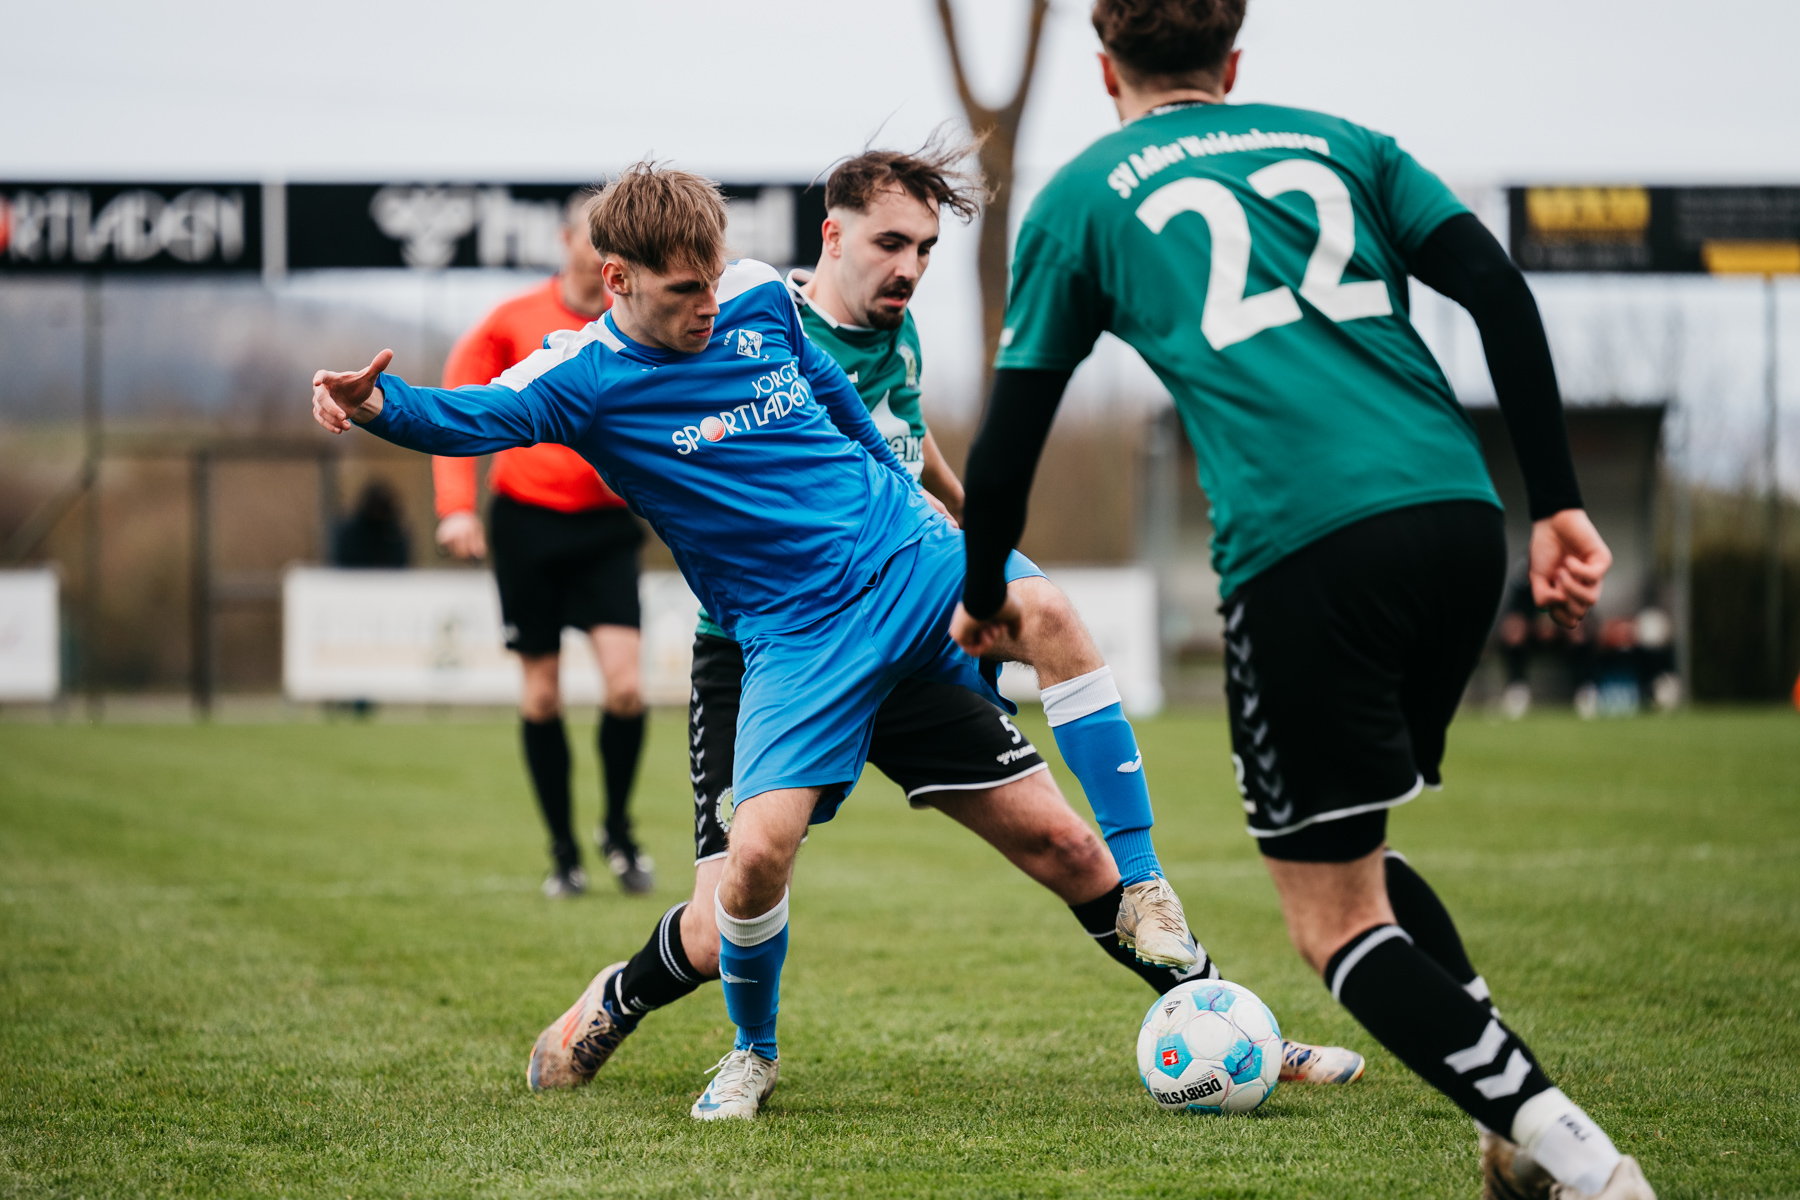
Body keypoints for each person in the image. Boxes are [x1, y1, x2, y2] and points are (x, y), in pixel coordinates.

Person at [309, 162, 1202, 1122]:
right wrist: (374, 407)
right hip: (787, 640)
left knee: (1064, 748)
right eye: (682, 291)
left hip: (903, 565)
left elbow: (830, 389)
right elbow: (473, 415)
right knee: (748, 871)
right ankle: (727, 1042)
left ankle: (1201, 989)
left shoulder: (758, 293)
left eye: (713, 280)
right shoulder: (584, 379)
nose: (707, 306)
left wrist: (899, 489)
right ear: (619, 281)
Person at [954, 3, 1650, 1197]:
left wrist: (982, 594)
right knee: (1360, 850)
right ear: (1232, 63)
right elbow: (1498, 293)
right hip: (1455, 518)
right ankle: (1506, 1133)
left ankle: (1575, 1157)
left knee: (1331, 924)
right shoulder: (1345, 142)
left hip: (1304, 552)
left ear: (1101, 66)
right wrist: (1561, 505)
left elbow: (1013, 435)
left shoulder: (1084, 194)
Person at [523, 145, 1364, 1102]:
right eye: (891, 244)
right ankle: (625, 999)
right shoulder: (736, 323)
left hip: (905, 629)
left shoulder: (901, 338)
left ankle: (1234, 1026)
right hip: (769, 655)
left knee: (1069, 848)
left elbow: (909, 456)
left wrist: (979, 538)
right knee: (724, 921)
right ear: (830, 237)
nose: (910, 269)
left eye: (925, 248)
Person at [433, 198, 652, 898]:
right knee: (542, 692)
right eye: (591, 236)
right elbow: (456, 404)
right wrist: (456, 508)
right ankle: (563, 852)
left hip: (607, 526)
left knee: (625, 688)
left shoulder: (638, 323)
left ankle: (617, 830)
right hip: (526, 523)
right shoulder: (512, 321)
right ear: (566, 241)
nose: (599, 250)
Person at [331, 479, 410, 568]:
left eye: (382, 509)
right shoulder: (351, 533)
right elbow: (346, 561)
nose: (379, 513)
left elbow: (400, 563)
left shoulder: (393, 534)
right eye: (376, 508)